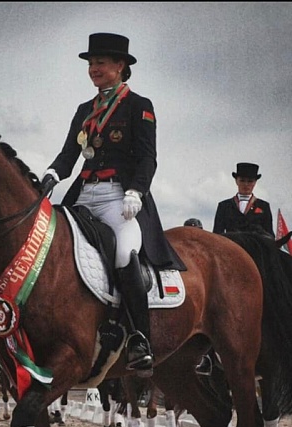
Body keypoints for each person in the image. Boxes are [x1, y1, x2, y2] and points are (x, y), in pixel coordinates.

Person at [41, 32, 184, 372]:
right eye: (90, 64)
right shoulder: (84, 110)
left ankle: (139, 337)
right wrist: (49, 175)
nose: (93, 69)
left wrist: (136, 191)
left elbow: (148, 158)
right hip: (84, 196)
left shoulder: (139, 107)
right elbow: (68, 155)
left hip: (119, 199)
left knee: (123, 253)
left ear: (120, 66)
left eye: (100, 63)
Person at [212, 163, 274, 237]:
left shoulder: (264, 206)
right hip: (231, 245)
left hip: (254, 246)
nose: (246, 184)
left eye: (250, 181)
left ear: (255, 182)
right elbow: (217, 234)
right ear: (236, 181)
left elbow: (269, 235)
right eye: (242, 180)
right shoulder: (224, 206)